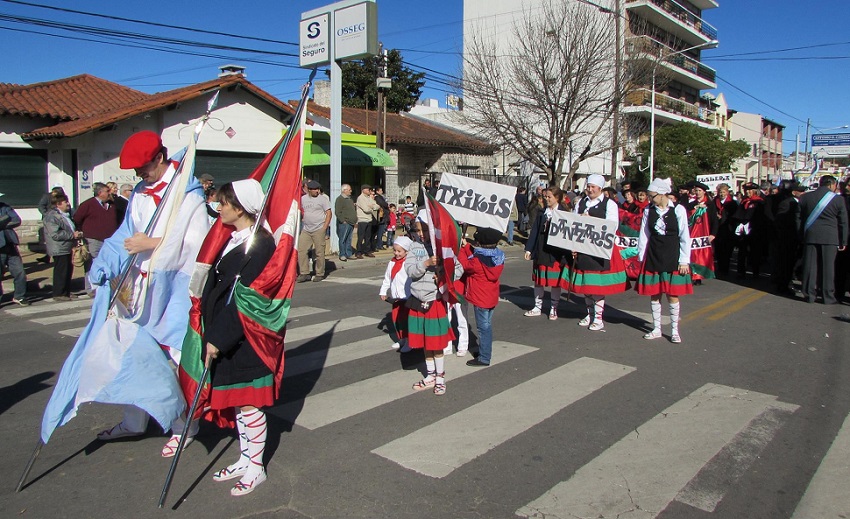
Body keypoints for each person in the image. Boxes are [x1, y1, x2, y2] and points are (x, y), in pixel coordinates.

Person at [87, 130, 211, 451]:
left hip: (174, 290)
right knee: (135, 353)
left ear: (160, 157)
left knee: (178, 356)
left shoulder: (189, 192)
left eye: (143, 166)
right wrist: (104, 263)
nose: (137, 174)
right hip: (139, 291)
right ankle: (135, 420)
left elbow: (198, 246)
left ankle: (186, 425)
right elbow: (125, 233)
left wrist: (151, 244)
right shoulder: (141, 191)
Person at [189, 180, 276, 496]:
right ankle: (245, 457)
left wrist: (220, 337)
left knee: (250, 405)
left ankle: (257, 467)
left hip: (245, 339)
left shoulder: (261, 245)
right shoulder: (234, 238)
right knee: (238, 404)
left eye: (223, 203)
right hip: (223, 334)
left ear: (240, 207)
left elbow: (248, 299)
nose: (218, 207)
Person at [561, 174, 628, 332]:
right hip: (584, 248)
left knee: (597, 286)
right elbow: (574, 223)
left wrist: (591, 219)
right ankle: (589, 313)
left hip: (599, 248)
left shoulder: (609, 204)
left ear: (600, 188)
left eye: (593, 187)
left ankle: (598, 318)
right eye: (588, 186)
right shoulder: (582, 202)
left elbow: (612, 225)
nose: (590, 190)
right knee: (586, 284)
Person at [405, 217, 457, 396]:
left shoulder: (442, 247)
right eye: (418, 231)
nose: (421, 234)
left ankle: (441, 377)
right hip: (418, 301)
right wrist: (425, 263)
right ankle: (430, 375)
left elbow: (457, 268)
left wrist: (443, 274)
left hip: (435, 300)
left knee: (436, 342)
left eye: (425, 230)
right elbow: (410, 270)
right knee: (425, 341)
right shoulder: (414, 247)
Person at [636, 178, 692, 343]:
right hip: (654, 254)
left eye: (652, 195)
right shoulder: (648, 211)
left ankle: (674, 330)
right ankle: (657, 328)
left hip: (672, 255)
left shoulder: (679, 210)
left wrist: (684, 260)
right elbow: (644, 235)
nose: (649, 198)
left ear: (661, 194)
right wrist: (641, 256)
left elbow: (684, 236)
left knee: (672, 294)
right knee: (655, 294)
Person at [798, 175, 849, 304]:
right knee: (828, 268)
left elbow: (798, 219)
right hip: (830, 237)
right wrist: (843, 240)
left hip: (810, 235)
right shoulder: (838, 200)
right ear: (832, 185)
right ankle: (827, 296)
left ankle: (809, 295)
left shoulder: (805, 197)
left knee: (810, 267)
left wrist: (801, 235)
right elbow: (843, 222)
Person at [459, 227, 505, 367]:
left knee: (483, 328)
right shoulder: (498, 256)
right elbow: (474, 255)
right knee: (486, 325)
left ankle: (484, 357)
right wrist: (467, 246)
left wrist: (462, 250)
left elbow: (466, 264)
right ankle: (485, 351)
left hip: (480, 297)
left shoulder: (478, 260)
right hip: (491, 296)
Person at [523, 187, 568, 320]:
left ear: (557, 198)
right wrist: (529, 249)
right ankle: (537, 306)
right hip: (541, 249)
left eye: (549, 197)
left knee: (555, 282)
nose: (546, 199)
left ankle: (554, 308)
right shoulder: (542, 212)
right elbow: (535, 231)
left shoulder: (564, 213)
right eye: (545, 197)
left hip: (556, 252)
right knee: (538, 281)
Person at [74, 182, 119, 295]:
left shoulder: (111, 204)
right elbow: (77, 218)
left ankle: (105, 285)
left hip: (109, 240)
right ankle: (91, 287)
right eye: (107, 191)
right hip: (93, 239)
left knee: (107, 263)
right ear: (100, 193)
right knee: (92, 263)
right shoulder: (88, 204)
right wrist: (82, 231)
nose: (110, 193)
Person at [43, 193, 82, 301]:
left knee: (68, 270)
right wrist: (72, 235)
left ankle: (66, 292)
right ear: (58, 204)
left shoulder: (66, 214)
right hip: (59, 247)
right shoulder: (52, 216)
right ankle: (58, 293)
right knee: (61, 271)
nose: (68, 204)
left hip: (67, 247)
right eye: (65, 202)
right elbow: (55, 234)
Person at [770, 181, 805, 296]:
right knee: (785, 264)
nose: (803, 193)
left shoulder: (798, 202)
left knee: (791, 264)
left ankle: (786, 283)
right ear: (794, 192)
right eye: (801, 191)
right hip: (787, 239)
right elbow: (780, 222)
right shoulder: (786, 203)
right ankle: (784, 286)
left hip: (794, 239)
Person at [379, 235, 412, 352]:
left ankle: (409, 341)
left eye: (399, 251)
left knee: (407, 320)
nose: (396, 253)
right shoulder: (392, 262)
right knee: (397, 319)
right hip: (396, 298)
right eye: (395, 250)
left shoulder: (408, 263)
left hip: (406, 297)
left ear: (407, 252)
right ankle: (401, 339)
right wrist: (383, 291)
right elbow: (388, 278)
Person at [0, 192, 31, 306]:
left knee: (20, 272)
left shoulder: (5, 207)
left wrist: (3, 224)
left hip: (10, 244)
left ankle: (19, 296)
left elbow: (16, 220)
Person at [297, 180, 331, 282]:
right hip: (306, 229)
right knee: (302, 250)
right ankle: (304, 273)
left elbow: (329, 213)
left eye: (318, 189)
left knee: (319, 252)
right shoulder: (303, 199)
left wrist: (324, 227)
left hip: (318, 229)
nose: (317, 191)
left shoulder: (323, 199)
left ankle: (319, 273)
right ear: (309, 190)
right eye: (315, 189)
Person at [732, 182, 767, 278]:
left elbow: (762, 217)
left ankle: (755, 271)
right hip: (743, 232)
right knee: (742, 251)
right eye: (746, 190)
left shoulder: (760, 202)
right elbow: (738, 215)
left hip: (755, 231)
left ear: (755, 191)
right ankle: (741, 271)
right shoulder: (744, 202)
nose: (748, 192)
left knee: (755, 252)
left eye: (750, 190)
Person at [687, 182, 718, 285]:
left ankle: (701, 274)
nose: (698, 193)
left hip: (705, 233)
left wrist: (713, 234)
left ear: (704, 192)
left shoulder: (710, 204)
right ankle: (694, 275)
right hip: (693, 234)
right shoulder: (692, 204)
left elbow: (714, 220)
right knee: (693, 254)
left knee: (703, 255)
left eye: (700, 191)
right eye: (696, 191)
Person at [712, 183, 738, 275]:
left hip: (728, 229)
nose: (721, 194)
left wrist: (723, 216)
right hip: (718, 229)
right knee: (718, 249)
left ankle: (725, 267)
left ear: (727, 192)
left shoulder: (732, 203)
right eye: (720, 192)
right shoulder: (714, 201)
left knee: (727, 249)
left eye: (723, 192)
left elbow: (735, 216)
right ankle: (720, 266)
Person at [334, 184, 357, 262]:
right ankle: (342, 254)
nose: (351, 191)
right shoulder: (340, 199)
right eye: (349, 189)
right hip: (345, 223)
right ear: (344, 190)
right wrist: (342, 220)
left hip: (351, 222)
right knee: (342, 239)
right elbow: (337, 211)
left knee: (349, 239)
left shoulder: (350, 199)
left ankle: (349, 253)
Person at [355, 184, 379, 258]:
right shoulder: (360, 198)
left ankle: (367, 251)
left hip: (369, 219)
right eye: (368, 190)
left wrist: (372, 207)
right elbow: (366, 209)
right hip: (362, 220)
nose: (370, 191)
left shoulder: (369, 198)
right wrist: (372, 208)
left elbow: (377, 206)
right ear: (363, 190)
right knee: (361, 237)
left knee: (368, 237)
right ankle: (358, 252)